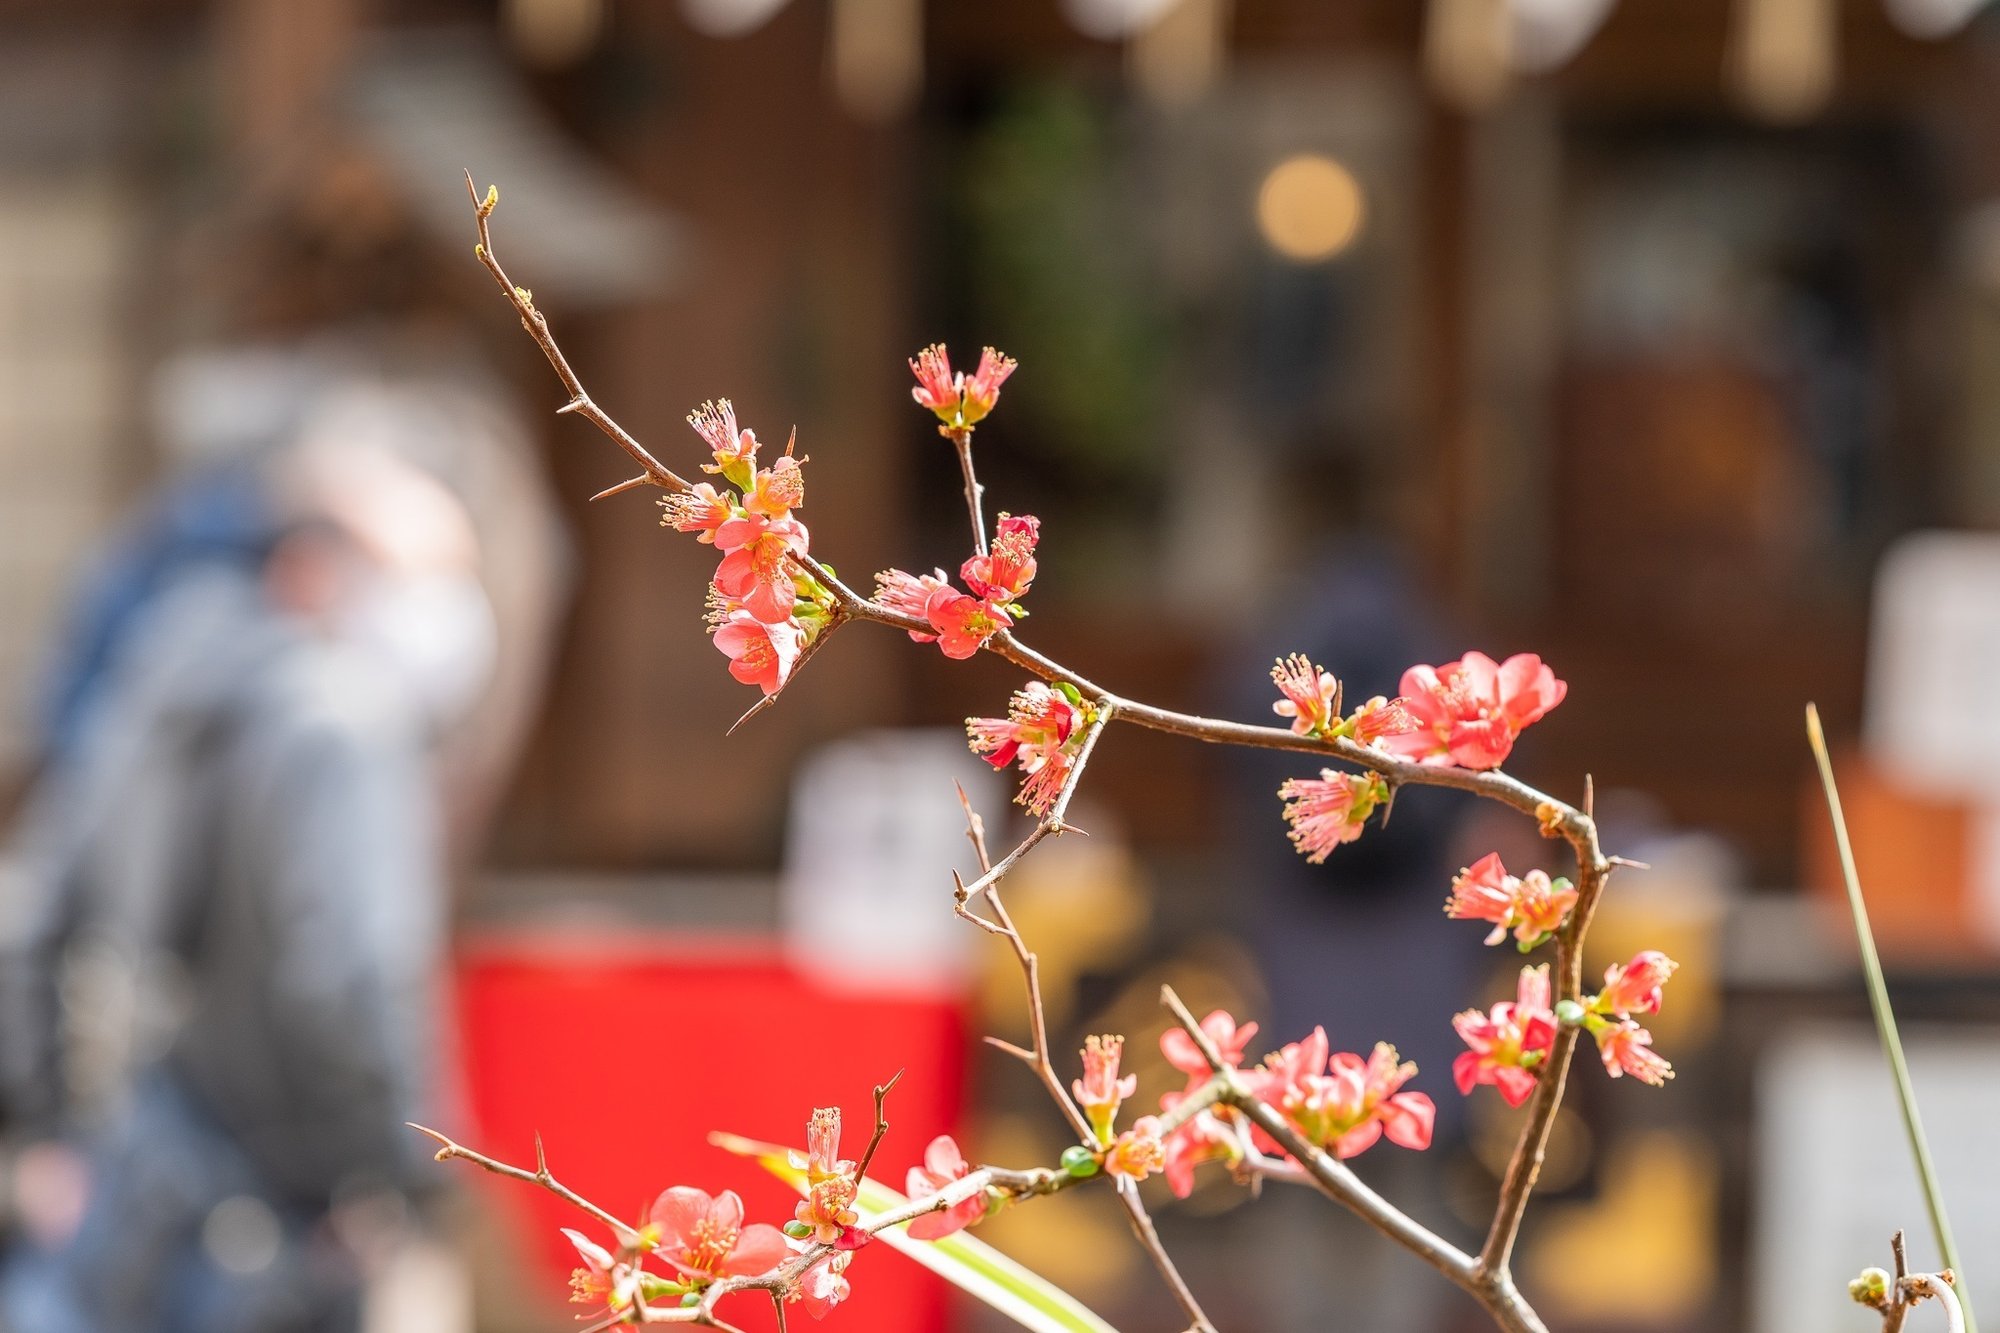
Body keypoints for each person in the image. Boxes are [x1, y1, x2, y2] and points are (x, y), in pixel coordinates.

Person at [0, 428, 496, 1333]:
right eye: (423, 571)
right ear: (307, 568)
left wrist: (42, 1138)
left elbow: (32, 913)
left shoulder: (161, 680)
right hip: (283, 1227)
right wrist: (411, 1174)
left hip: (132, 1197)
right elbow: (350, 981)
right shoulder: (344, 720)